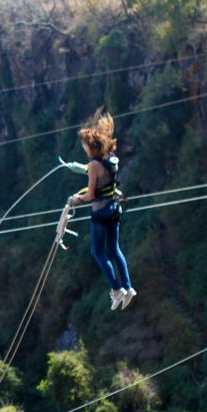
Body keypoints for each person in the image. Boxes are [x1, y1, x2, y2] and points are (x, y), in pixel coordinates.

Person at [64, 109, 135, 311]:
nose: (84, 148)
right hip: (115, 209)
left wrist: (75, 199)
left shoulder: (94, 165)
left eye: (84, 145)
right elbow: (107, 186)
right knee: (115, 249)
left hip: (101, 213)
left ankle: (116, 290)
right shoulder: (111, 158)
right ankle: (128, 288)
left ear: (90, 145)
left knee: (98, 252)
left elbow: (91, 195)